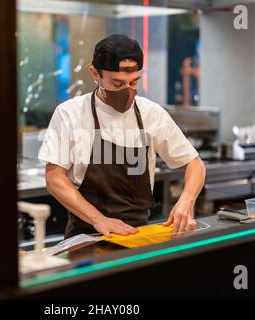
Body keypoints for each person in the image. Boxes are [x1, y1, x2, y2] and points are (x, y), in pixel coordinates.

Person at [39, 34, 206, 239]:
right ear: (95, 73)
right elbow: (54, 178)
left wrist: (186, 200)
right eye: (117, 84)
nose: (127, 91)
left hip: (137, 233)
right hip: (85, 235)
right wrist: (98, 219)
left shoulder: (151, 113)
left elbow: (195, 164)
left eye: (134, 82)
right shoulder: (70, 114)